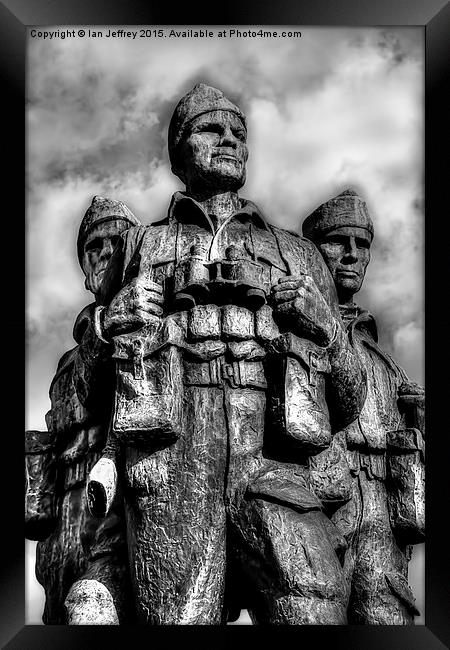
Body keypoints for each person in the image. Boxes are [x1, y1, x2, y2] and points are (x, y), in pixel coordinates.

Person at [90, 84, 367, 624]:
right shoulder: (137, 246)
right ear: (179, 149)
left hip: (274, 458)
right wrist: (110, 324)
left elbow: (351, 401)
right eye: (212, 129)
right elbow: (91, 393)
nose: (230, 140)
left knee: (314, 606)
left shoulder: (300, 255)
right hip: (171, 464)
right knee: (178, 619)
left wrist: (328, 328)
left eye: (239, 132)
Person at [302, 188, 425, 624]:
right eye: (338, 242)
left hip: (381, 514)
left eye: (362, 244)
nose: (352, 255)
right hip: (319, 502)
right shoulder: (298, 334)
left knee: (385, 617)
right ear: (310, 251)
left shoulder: (384, 362)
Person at [25, 196, 140, 624]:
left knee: (93, 609)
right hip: (63, 524)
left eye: (116, 241)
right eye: (94, 246)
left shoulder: (147, 333)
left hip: (114, 511)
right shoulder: (66, 361)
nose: (106, 251)